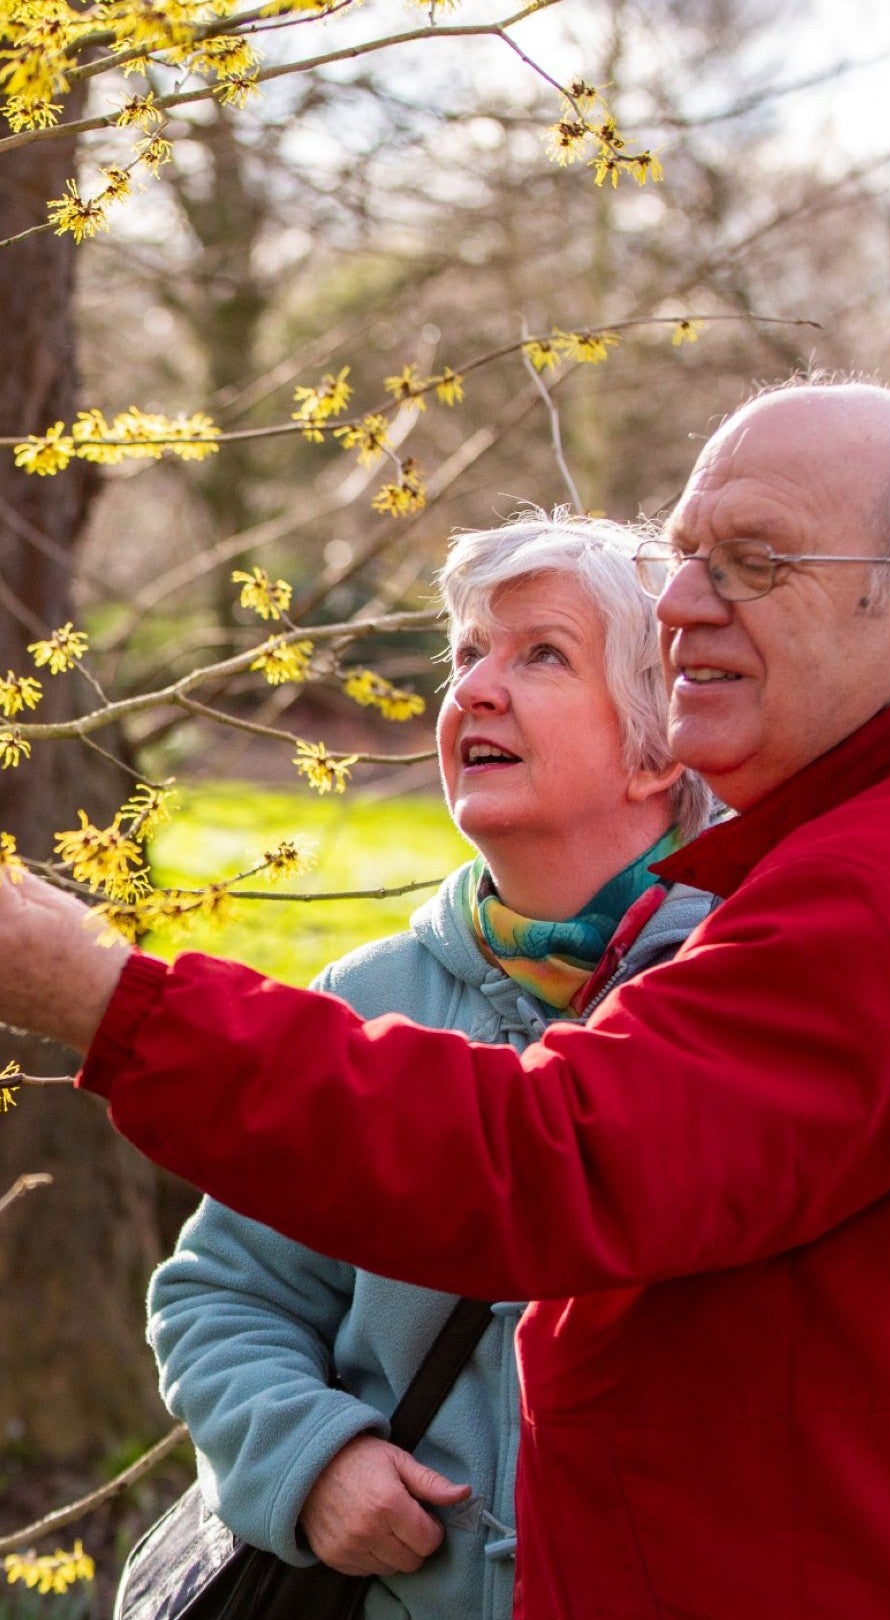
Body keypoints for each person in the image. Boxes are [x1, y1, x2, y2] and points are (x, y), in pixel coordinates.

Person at [0, 381, 890, 1617]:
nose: (685, 602)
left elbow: (545, 1158)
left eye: (755, 562)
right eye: (685, 556)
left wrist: (116, 1007)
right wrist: (312, 1461)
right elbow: (230, 1290)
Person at [150, 515, 714, 1620]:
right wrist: (310, 1463)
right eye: (465, 655)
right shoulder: (368, 1000)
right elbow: (224, 1292)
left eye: (539, 654)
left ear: (661, 744)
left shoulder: (744, 994)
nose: (475, 692)